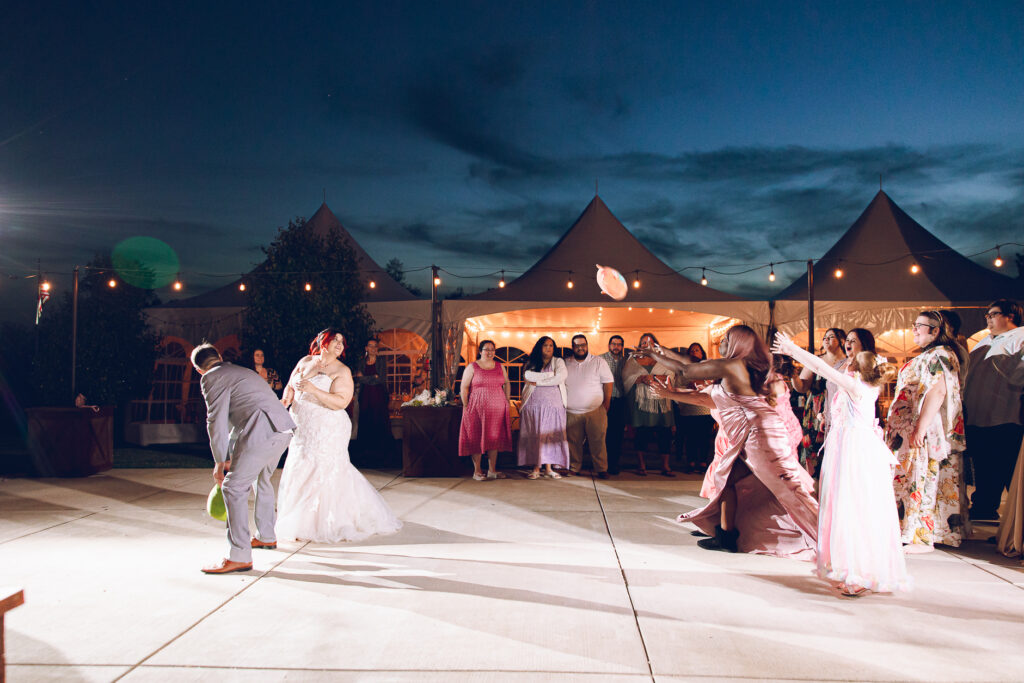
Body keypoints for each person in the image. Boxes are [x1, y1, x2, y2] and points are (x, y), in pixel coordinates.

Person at [644, 325, 818, 558]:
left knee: (791, 491)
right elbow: (711, 399)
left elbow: (687, 369)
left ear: (737, 343)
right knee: (726, 479)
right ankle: (726, 535)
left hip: (760, 436)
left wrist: (654, 354)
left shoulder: (734, 365)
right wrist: (671, 393)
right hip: (749, 435)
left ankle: (831, 538)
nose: (721, 343)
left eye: (726, 339)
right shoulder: (744, 369)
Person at [774, 333, 910, 597]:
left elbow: (821, 368)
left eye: (851, 362)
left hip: (855, 454)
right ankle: (850, 568)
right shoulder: (858, 388)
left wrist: (792, 350)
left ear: (857, 368)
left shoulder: (856, 386)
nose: (846, 363)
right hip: (845, 449)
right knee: (844, 507)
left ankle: (860, 573)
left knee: (855, 508)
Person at [276, 329, 402, 543]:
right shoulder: (305, 361)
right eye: (335, 340)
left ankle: (329, 522)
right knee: (300, 468)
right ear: (321, 342)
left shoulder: (341, 370)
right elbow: (289, 386)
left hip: (327, 429)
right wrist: (284, 403)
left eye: (342, 342)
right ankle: (300, 519)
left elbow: (341, 402)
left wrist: (313, 390)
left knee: (325, 471)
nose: (339, 344)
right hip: (302, 429)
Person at [192, 343, 296, 574]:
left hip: (263, 431)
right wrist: (230, 455)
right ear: (220, 356)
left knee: (233, 488)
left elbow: (216, 421)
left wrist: (220, 462)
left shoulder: (210, 377)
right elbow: (236, 419)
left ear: (199, 370)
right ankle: (266, 536)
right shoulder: (242, 372)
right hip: (283, 429)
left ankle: (238, 556)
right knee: (262, 479)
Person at [886, 311, 966, 552]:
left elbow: (938, 391)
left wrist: (920, 428)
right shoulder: (931, 354)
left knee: (923, 478)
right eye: (914, 325)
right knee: (915, 479)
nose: (914, 330)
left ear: (935, 331)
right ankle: (913, 530)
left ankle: (920, 535)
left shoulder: (940, 354)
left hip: (924, 429)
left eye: (919, 326)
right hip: (911, 428)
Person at [963, 299, 1024, 522]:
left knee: (1009, 470)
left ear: (1010, 315)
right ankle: (984, 508)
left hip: (1007, 416)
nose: (988, 318)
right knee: (984, 468)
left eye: (993, 314)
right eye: (987, 315)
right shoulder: (983, 342)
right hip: (979, 417)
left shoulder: (1020, 337)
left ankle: (1016, 526)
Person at [792, 328, 847, 475]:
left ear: (842, 341)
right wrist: (793, 376)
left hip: (838, 409)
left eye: (831, 337)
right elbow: (802, 387)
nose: (826, 340)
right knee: (813, 450)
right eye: (825, 338)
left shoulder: (847, 362)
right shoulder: (817, 360)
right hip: (815, 410)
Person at [622, 333, 675, 477]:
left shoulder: (664, 359)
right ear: (640, 345)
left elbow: (672, 376)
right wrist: (640, 378)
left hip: (662, 403)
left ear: (656, 345)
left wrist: (655, 377)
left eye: (650, 342)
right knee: (641, 434)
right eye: (644, 343)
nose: (647, 345)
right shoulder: (633, 359)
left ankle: (665, 465)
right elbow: (626, 378)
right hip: (641, 403)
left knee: (665, 434)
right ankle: (641, 465)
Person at [459, 339, 512, 480]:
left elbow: (506, 383)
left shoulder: (500, 366)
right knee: (476, 437)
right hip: (476, 408)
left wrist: (507, 400)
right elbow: (464, 387)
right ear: (480, 351)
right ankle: (477, 471)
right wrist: (466, 405)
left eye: (492, 349)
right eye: (486, 349)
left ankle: (492, 470)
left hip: (497, 410)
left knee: (493, 439)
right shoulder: (472, 366)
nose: (490, 352)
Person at [518, 336, 569, 479]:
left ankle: (549, 468)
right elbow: (528, 375)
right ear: (540, 347)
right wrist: (550, 376)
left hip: (553, 405)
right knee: (535, 434)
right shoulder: (532, 361)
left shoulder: (558, 361)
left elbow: (561, 377)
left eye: (551, 345)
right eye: (545, 345)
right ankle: (536, 468)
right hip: (533, 405)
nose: (548, 348)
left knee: (550, 435)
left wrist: (539, 380)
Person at [564, 334, 614, 479]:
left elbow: (608, 382)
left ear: (587, 345)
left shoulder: (598, 362)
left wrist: (606, 403)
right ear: (573, 347)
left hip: (595, 410)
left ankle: (601, 469)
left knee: (598, 441)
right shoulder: (566, 363)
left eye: (583, 345)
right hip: (571, 411)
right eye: (577, 345)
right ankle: (574, 467)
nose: (581, 348)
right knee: (573, 442)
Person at [674, 343, 715, 475]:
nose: (694, 353)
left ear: (702, 353)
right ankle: (691, 462)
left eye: (697, 350)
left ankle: (703, 461)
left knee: (704, 437)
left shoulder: (709, 368)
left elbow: (715, 383)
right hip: (688, 408)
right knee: (690, 437)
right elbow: (677, 385)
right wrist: (689, 386)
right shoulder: (683, 370)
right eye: (691, 351)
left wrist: (704, 384)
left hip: (704, 408)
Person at [352, 338, 393, 459]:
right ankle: (366, 452)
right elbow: (358, 379)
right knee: (366, 419)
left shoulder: (381, 361)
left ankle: (381, 451)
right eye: (371, 346)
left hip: (379, 396)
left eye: (375, 346)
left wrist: (365, 378)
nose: (373, 348)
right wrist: (372, 377)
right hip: (365, 396)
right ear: (366, 348)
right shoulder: (361, 362)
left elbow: (380, 379)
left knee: (379, 420)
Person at [600, 335, 628, 475]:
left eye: (618, 344)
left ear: (622, 346)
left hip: (621, 401)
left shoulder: (626, 361)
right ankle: (602, 465)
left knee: (617, 434)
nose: (616, 347)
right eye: (613, 344)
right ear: (609, 345)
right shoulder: (601, 360)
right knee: (604, 434)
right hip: (605, 401)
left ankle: (614, 464)